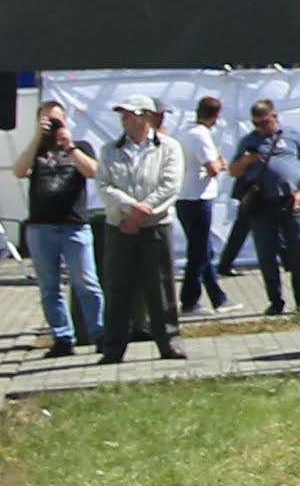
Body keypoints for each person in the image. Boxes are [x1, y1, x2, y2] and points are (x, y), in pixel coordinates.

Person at [89, 94, 187, 363]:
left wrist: (144, 211)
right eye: (122, 114)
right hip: (119, 226)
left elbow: (170, 185)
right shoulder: (109, 149)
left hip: (155, 226)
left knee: (160, 286)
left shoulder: (169, 147)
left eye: (130, 114)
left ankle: (169, 341)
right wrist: (130, 208)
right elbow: (104, 184)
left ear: (147, 117)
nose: (124, 119)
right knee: (118, 286)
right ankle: (114, 347)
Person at [18, 105, 99, 356]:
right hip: (41, 226)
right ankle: (62, 337)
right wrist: (36, 138)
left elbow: (93, 171)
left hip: (74, 224)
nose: (53, 126)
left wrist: (69, 146)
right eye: (48, 121)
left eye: (57, 120)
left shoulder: (81, 146)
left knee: (87, 282)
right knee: (49, 287)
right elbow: (19, 171)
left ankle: (100, 333)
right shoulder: (36, 149)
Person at [226, 98, 300, 311]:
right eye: (256, 124)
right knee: (266, 253)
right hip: (262, 204)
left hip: (289, 200)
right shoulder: (249, 141)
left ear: (275, 117)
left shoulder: (292, 135)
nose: (261, 128)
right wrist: (245, 161)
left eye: (265, 122)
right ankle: (275, 302)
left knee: (298, 250)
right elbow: (233, 171)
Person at [178, 95, 230, 313]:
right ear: (215, 116)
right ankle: (189, 299)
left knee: (204, 249)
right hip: (198, 197)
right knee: (199, 251)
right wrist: (221, 163)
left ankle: (218, 297)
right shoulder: (201, 135)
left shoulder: (184, 132)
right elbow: (213, 168)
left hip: (184, 196)